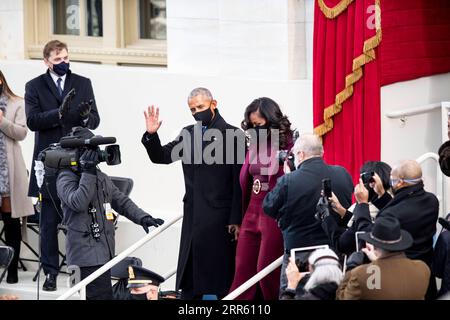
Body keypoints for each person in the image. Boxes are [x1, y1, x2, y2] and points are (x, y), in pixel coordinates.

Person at [141, 87, 244, 299]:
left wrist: (236, 218)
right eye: (192, 109)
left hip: (220, 219)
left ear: (213, 104)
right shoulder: (189, 133)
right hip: (194, 215)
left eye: (201, 107)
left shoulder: (234, 135)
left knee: (217, 276)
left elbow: (238, 182)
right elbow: (161, 156)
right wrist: (152, 136)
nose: (197, 112)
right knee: (193, 275)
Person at [25, 40, 100, 291]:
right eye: (58, 60)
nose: (63, 63)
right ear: (46, 62)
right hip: (48, 163)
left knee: (79, 217)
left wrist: (87, 115)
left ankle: (81, 270)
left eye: (66, 58)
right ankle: (50, 272)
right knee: (47, 221)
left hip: (77, 160)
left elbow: (95, 120)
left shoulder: (82, 82)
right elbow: (33, 121)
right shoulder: (34, 86)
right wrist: (58, 112)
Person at [56, 127, 164, 300]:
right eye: (90, 150)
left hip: (104, 255)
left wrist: (143, 217)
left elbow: (121, 201)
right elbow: (78, 202)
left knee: (104, 296)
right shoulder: (65, 177)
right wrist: (88, 172)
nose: (96, 154)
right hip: (84, 259)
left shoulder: (101, 176)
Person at [263, 133, 353, 296]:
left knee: (296, 294)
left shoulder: (289, 181)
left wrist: (288, 176)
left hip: (301, 257)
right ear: (322, 152)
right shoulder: (343, 174)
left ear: (301, 154)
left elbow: (268, 206)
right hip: (334, 255)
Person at [228, 97, 292, 300]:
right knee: (242, 269)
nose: (255, 129)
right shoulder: (255, 143)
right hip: (251, 212)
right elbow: (245, 181)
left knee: (267, 271)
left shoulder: (289, 144)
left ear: (271, 120)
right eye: (252, 125)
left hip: (272, 215)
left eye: (259, 125)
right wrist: (238, 219)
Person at [352, 159, 439, 298]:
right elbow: (402, 208)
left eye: (392, 178)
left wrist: (362, 204)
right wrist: (382, 195)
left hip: (399, 279)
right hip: (424, 276)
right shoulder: (432, 201)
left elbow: (368, 233)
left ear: (399, 182)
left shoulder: (392, 214)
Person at [337, 216, 430, 300]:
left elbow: (342, 297)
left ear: (375, 246)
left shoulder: (361, 274)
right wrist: (378, 261)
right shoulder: (422, 268)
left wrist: (351, 268)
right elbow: (394, 278)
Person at [0, 70, 35, 283]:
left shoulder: (16, 103)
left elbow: (22, 133)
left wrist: (2, 121)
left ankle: (12, 270)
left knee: (10, 220)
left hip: (9, 173)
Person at [321, 161, 392, 255]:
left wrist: (325, 216)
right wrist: (341, 210)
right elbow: (355, 222)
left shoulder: (365, 209)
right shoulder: (395, 205)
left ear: (369, 182)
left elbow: (342, 244)